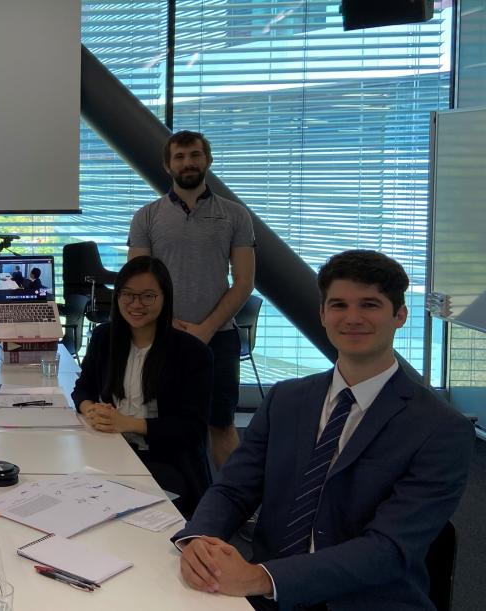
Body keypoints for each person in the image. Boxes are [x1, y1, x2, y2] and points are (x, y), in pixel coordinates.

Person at [174, 250, 474, 611]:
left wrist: (262, 578)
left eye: (370, 304)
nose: (352, 318)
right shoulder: (285, 399)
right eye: (338, 305)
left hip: (365, 600)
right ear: (322, 314)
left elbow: (388, 548)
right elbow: (233, 488)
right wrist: (198, 540)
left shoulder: (441, 429)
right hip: (264, 594)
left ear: (400, 316)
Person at [127, 130, 256, 469]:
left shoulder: (235, 215)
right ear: (167, 166)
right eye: (180, 157)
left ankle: (233, 511)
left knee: (221, 424)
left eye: (195, 155)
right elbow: (136, 284)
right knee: (158, 422)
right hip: (159, 338)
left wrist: (206, 330)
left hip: (218, 339)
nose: (188, 162)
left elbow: (244, 282)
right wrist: (166, 325)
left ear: (207, 161)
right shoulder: (147, 216)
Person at [73, 256, 213, 517]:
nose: (136, 304)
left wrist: (128, 423)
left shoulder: (192, 353)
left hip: (164, 462)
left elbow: (192, 429)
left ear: (164, 298)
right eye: (127, 295)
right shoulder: (105, 336)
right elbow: (83, 387)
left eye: (148, 296)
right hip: (107, 449)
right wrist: (89, 407)